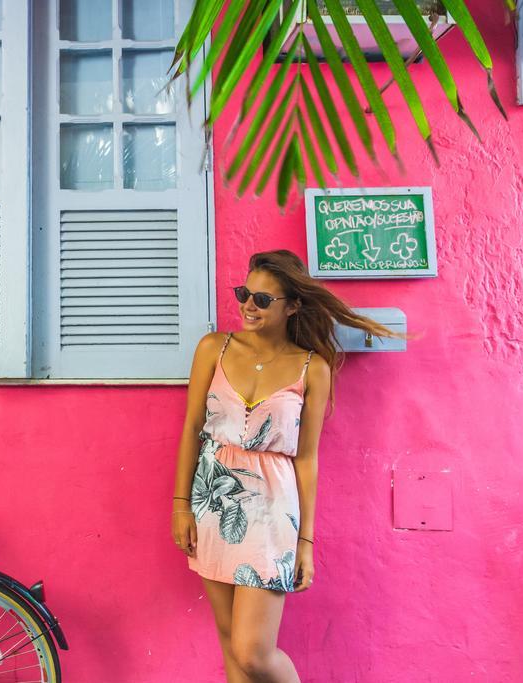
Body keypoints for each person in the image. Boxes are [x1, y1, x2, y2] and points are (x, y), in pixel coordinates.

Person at [170, 250, 399, 682]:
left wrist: (306, 542)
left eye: (262, 299)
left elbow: (307, 459)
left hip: (272, 513)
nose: (247, 306)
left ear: (292, 305)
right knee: (229, 642)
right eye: (244, 294)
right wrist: (181, 504)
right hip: (213, 501)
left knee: (253, 652)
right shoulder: (213, 348)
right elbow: (192, 428)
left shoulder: (312, 368)